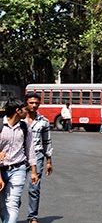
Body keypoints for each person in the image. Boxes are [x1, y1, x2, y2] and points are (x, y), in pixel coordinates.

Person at [0, 100, 38, 223]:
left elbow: (30, 149)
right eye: (25, 109)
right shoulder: (0, 125)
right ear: (18, 110)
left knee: (12, 204)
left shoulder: (25, 126)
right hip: (1, 169)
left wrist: (33, 171)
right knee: (1, 205)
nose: (27, 111)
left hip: (18, 168)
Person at [24, 93, 53, 223]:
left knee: (34, 188)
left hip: (38, 156)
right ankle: (10, 215)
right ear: (26, 103)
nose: (34, 105)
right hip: (20, 157)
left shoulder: (44, 121)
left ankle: (32, 217)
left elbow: (47, 141)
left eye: (36, 103)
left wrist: (49, 161)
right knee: (15, 188)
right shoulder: (19, 120)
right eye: (31, 103)